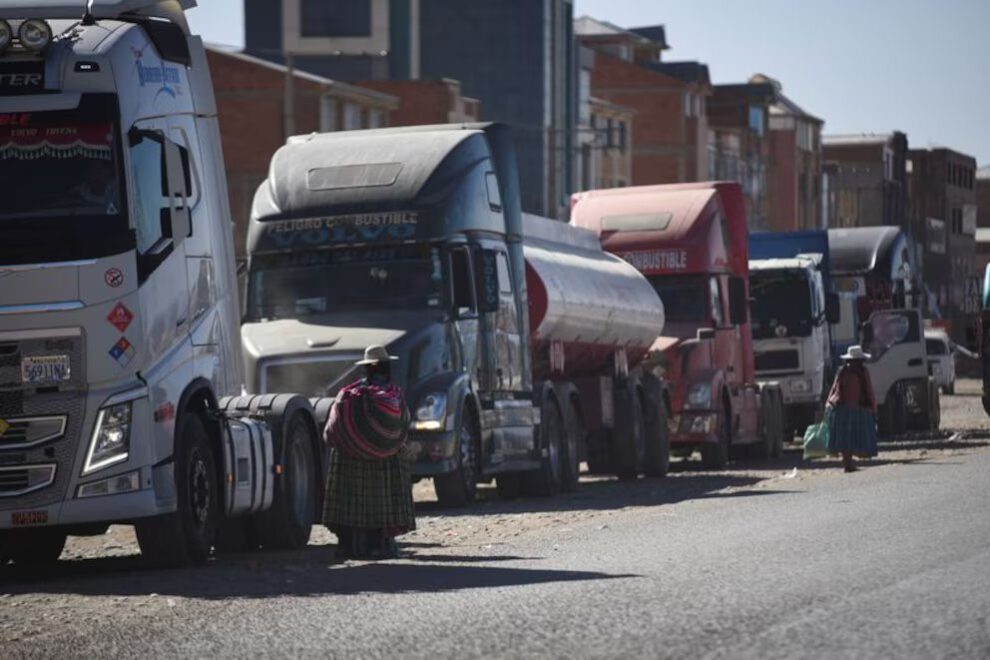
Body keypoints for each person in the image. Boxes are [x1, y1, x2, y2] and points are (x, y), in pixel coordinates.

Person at [322, 345, 415, 560]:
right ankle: (379, 544)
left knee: (352, 498)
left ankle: (349, 545)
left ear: (365, 369)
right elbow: (403, 427)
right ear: (387, 367)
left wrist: (355, 443)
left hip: (352, 462)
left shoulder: (347, 396)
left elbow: (333, 430)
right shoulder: (395, 396)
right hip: (386, 464)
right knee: (382, 497)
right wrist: (383, 445)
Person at [825, 346, 879, 472]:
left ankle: (847, 463)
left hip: (840, 409)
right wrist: (874, 408)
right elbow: (869, 391)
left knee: (844, 437)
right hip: (857, 409)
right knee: (854, 436)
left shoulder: (842, 371)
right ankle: (849, 464)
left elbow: (834, 389)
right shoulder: (863, 372)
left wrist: (828, 404)